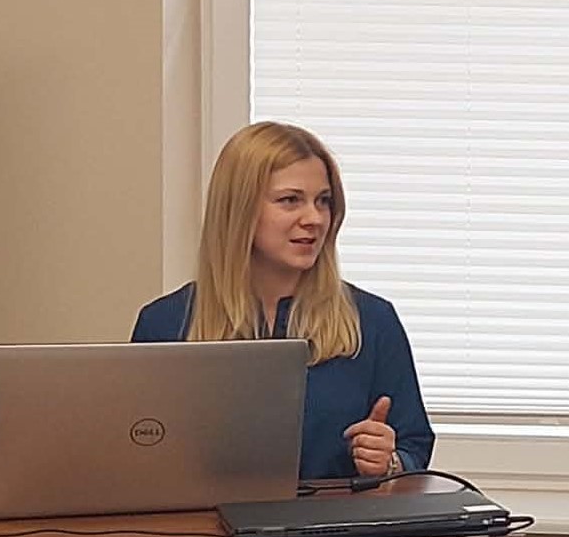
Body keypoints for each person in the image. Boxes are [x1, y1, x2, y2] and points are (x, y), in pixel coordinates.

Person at [132, 121, 434, 481]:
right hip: (207, 518)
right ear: (239, 209)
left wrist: (389, 462)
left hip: (336, 518)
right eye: (290, 200)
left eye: (323, 201)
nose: (314, 219)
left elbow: (413, 446)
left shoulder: (371, 320)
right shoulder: (165, 323)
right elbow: (138, 454)